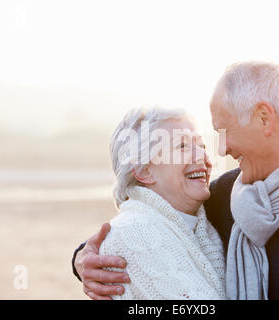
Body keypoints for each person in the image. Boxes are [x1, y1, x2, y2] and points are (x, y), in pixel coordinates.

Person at [72, 62, 279, 300]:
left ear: (264, 118)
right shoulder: (228, 196)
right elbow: (152, 222)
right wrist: (84, 259)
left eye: (221, 132)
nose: (221, 148)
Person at [79, 106, 226, 299]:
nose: (202, 156)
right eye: (182, 146)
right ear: (144, 171)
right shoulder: (133, 232)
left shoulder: (205, 221)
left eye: (202, 146)